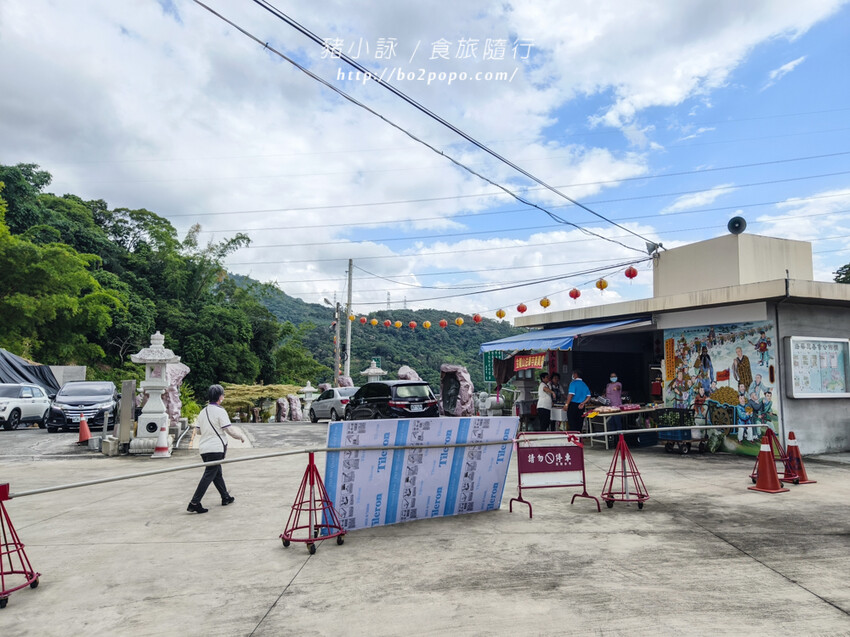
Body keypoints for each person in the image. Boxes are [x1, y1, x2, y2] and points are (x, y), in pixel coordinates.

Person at [187, 384, 245, 514]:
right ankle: (194, 503)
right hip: (216, 448)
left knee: (217, 474)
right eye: (223, 395)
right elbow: (229, 430)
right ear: (220, 397)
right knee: (209, 474)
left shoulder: (203, 412)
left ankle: (225, 497)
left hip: (204, 449)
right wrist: (240, 436)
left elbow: (198, 431)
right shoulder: (220, 411)